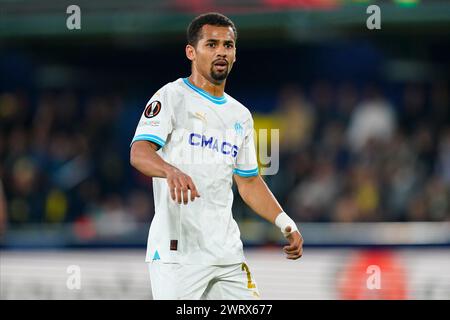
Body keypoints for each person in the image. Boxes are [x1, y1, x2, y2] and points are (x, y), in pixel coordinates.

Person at [130, 12, 303, 300]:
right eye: (211, 44)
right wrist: (170, 170)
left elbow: (248, 182)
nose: (221, 51)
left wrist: (285, 222)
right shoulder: (172, 97)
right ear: (191, 52)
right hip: (178, 255)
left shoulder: (240, 115)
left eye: (228, 45)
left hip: (227, 254)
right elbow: (139, 152)